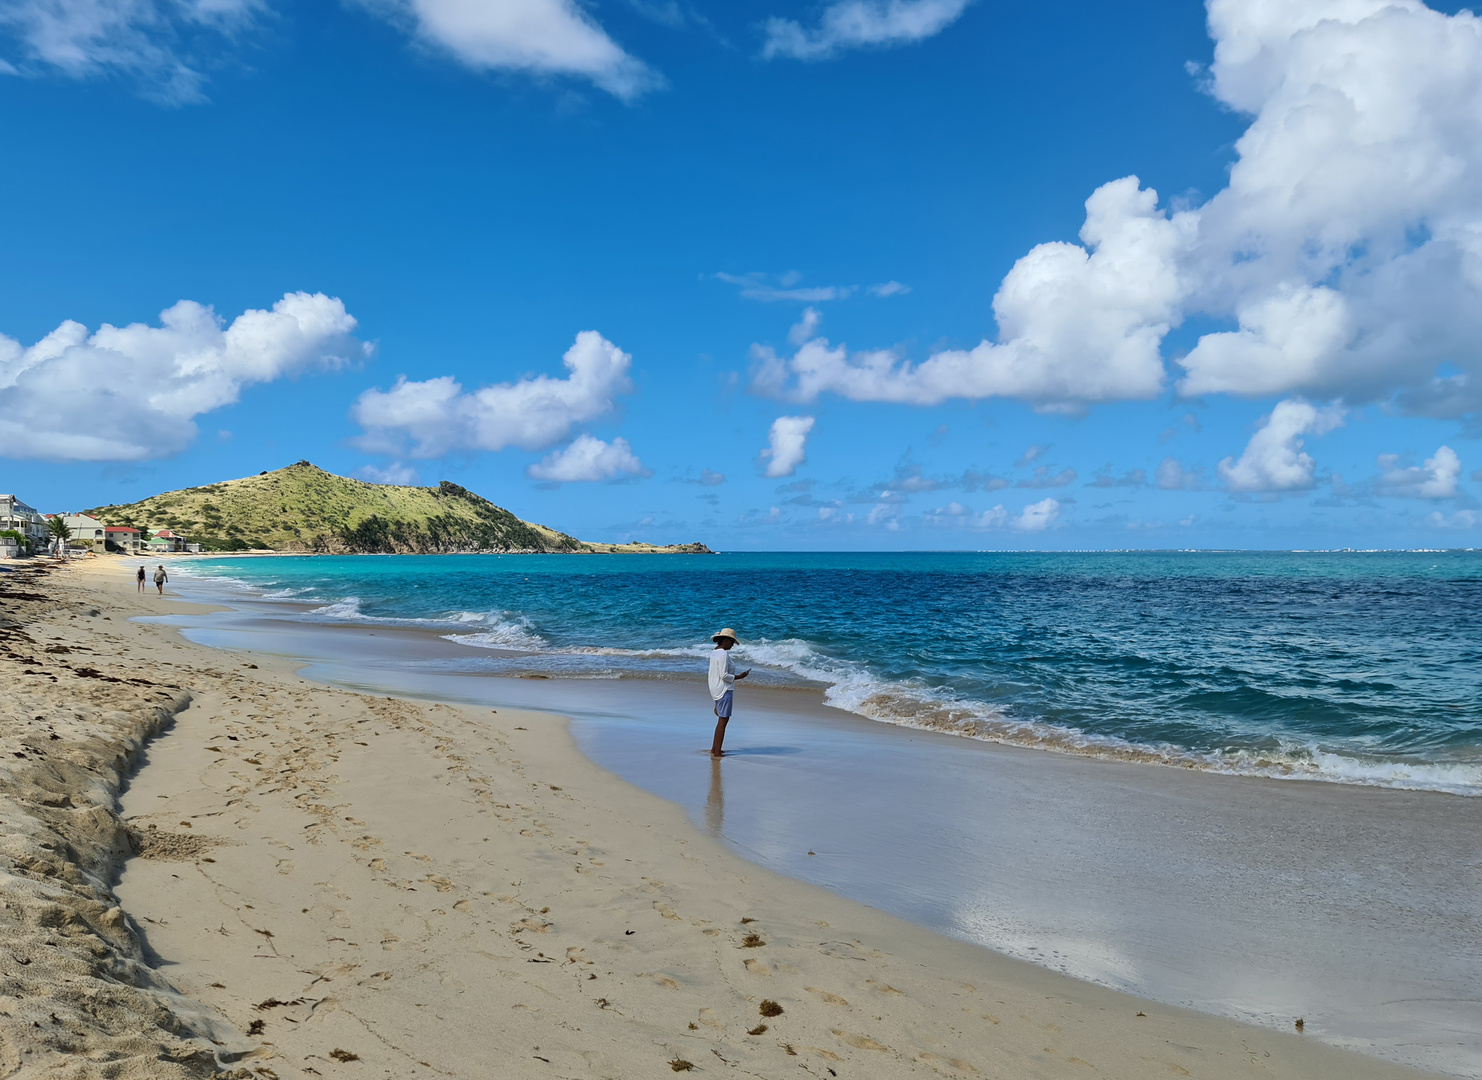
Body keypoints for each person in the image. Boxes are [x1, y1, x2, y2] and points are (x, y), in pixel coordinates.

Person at [707, 628, 750, 757]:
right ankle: (717, 752)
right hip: (725, 690)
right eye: (731, 642)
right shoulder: (724, 654)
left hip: (716, 689)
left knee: (721, 720)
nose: (732, 645)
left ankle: (715, 749)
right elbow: (724, 675)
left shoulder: (714, 652)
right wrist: (739, 676)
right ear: (725, 640)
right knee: (723, 721)